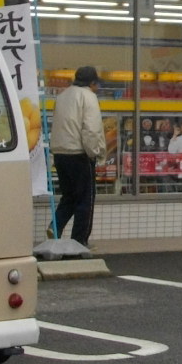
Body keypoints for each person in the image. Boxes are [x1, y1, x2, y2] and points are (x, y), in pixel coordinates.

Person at [50, 65, 106, 248]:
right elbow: (92, 130)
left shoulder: (62, 96)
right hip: (79, 154)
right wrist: (95, 153)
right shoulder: (89, 97)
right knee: (85, 199)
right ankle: (79, 241)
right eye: (97, 84)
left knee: (69, 196)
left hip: (60, 153)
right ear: (92, 83)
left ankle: (56, 226)